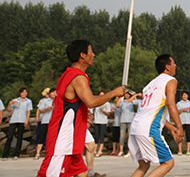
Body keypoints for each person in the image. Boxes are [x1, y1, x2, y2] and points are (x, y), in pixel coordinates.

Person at [36, 39, 125, 177]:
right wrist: (114, 93)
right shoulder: (78, 77)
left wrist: (81, 111)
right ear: (82, 55)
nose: (94, 55)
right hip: (63, 141)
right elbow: (90, 101)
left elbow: (68, 103)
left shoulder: (68, 74)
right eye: (91, 51)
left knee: (82, 172)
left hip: (72, 140)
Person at [128, 54, 184, 177]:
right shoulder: (170, 80)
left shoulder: (149, 85)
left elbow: (151, 111)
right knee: (168, 163)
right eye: (173, 63)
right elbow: (171, 103)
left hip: (136, 127)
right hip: (149, 129)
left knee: (143, 165)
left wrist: (172, 128)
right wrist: (179, 127)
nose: (175, 65)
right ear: (168, 67)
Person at [2, 87, 33, 160]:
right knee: (10, 137)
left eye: (26, 92)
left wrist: (26, 120)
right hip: (14, 120)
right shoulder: (15, 100)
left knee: (19, 137)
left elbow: (28, 111)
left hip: (22, 120)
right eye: (23, 92)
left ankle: (16, 154)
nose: (24, 93)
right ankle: (5, 154)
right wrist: (9, 104)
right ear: (20, 93)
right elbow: (9, 110)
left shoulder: (28, 101)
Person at [35, 88, 57, 160]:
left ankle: (52, 152)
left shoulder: (58, 101)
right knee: (42, 136)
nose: (54, 94)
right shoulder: (43, 101)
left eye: (55, 92)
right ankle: (38, 153)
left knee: (53, 138)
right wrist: (46, 109)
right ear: (49, 93)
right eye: (52, 92)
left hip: (54, 122)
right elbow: (40, 110)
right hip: (45, 120)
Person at [119, 90, 142, 157]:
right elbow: (131, 100)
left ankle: (130, 151)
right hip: (123, 120)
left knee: (131, 136)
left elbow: (133, 101)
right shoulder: (123, 102)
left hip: (132, 120)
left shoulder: (142, 101)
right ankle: (121, 151)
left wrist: (136, 96)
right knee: (122, 136)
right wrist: (136, 94)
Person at [92, 91, 112, 157]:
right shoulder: (96, 102)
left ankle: (100, 151)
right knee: (96, 136)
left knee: (102, 136)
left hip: (103, 121)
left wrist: (103, 111)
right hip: (96, 121)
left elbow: (109, 113)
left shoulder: (107, 103)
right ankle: (94, 150)